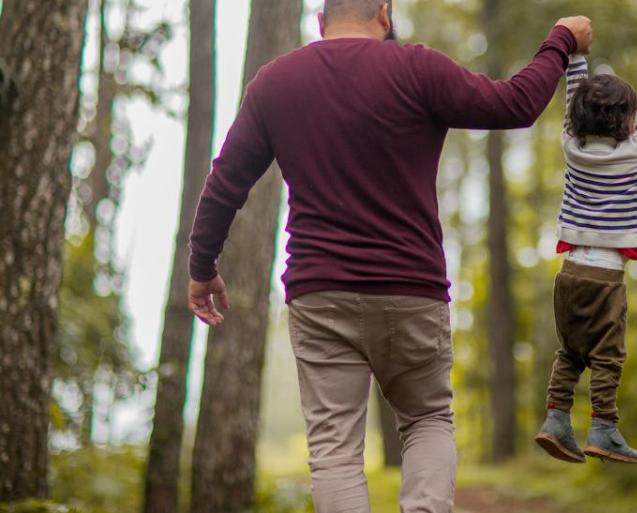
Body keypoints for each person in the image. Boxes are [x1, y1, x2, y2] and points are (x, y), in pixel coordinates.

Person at [184, 1, 592, 511]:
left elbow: (225, 185)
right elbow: (515, 105)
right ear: (384, 12)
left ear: (321, 20)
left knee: (334, 453)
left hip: (320, 292)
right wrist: (560, 39)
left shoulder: (276, 81)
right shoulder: (418, 68)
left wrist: (202, 269)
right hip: (410, 290)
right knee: (426, 420)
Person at [533, 53, 637, 465]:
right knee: (607, 356)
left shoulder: (571, 147)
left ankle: (556, 418)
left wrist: (576, 56)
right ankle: (603, 427)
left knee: (570, 352)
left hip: (570, 273)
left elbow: (571, 96)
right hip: (606, 278)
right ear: (626, 121)